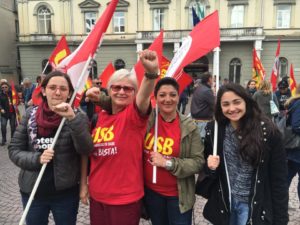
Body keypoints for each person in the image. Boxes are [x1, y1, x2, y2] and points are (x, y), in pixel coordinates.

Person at [81, 50, 159, 225]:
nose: (121, 91)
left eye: (128, 88)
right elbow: (88, 155)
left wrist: (151, 73)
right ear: (109, 90)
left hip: (125, 200)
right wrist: (84, 185)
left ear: (134, 93)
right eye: (116, 87)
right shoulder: (99, 117)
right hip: (98, 196)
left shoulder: (134, 117)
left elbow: (145, 93)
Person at [8, 71, 93, 225]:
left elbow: (86, 150)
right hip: (33, 191)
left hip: (65, 193)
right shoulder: (30, 115)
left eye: (63, 88)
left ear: (69, 94)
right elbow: (14, 149)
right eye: (52, 87)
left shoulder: (78, 116)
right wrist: (37, 158)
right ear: (43, 91)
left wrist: (72, 119)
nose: (57, 92)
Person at [200, 83, 288, 225]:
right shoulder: (215, 130)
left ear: (246, 101)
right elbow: (211, 173)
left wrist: (281, 219)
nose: (232, 108)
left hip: (253, 205)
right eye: (226, 104)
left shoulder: (268, 132)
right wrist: (209, 167)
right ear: (220, 107)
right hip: (226, 203)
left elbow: (279, 180)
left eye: (237, 102)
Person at [144, 77, 204, 225]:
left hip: (178, 196)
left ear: (179, 97)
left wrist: (168, 163)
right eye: (162, 95)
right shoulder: (147, 121)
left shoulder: (189, 126)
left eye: (172, 94)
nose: (167, 99)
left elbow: (198, 162)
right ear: (156, 98)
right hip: (152, 194)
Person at [284, 84, 300, 208]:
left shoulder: (294, 102)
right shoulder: (299, 103)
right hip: (297, 149)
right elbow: (296, 126)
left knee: (286, 178)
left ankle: (280, 203)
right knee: (286, 178)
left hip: (294, 149)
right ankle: (280, 203)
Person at [190, 72, 215, 141]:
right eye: (212, 78)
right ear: (209, 79)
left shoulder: (199, 88)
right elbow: (215, 106)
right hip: (203, 122)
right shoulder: (207, 91)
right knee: (203, 144)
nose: (213, 80)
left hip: (196, 120)